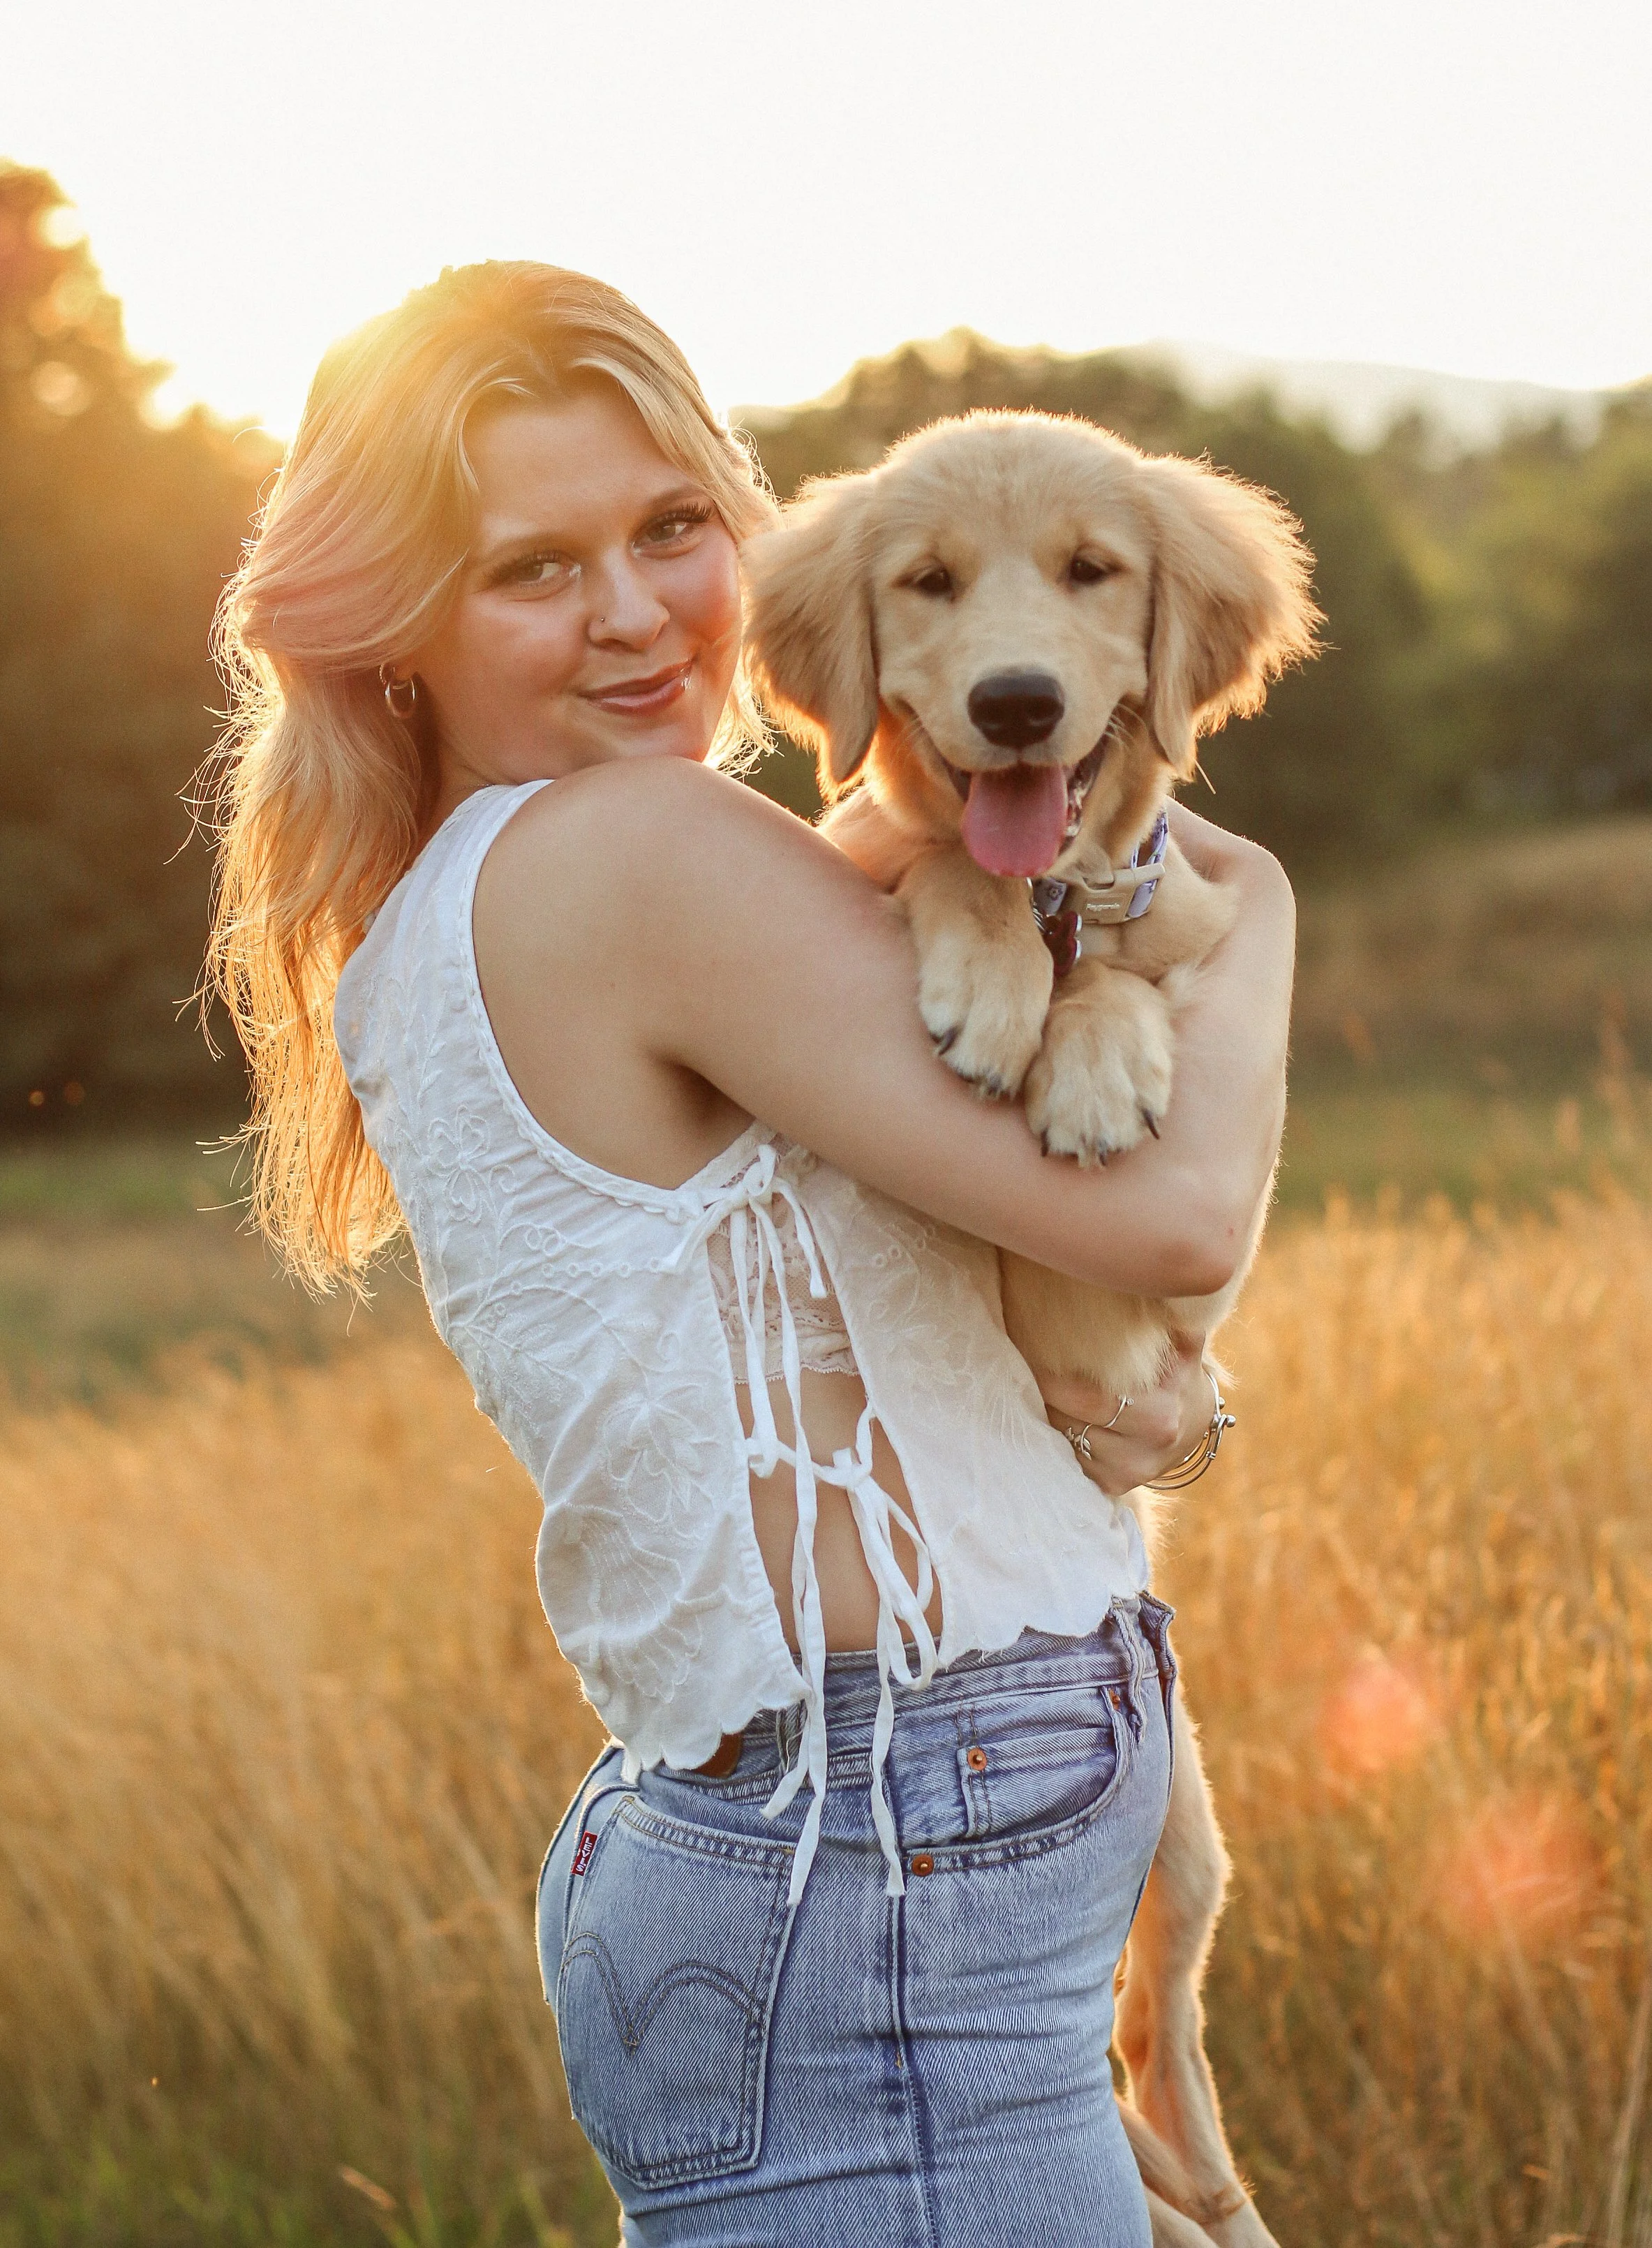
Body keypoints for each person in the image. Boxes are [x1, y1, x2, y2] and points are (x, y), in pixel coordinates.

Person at [207, 262, 1293, 2247]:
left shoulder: (489, 889)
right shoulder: (640, 855)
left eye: (670, 531)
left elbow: (967, 1306)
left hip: (834, 1880)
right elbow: (1174, 1213)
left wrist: (1162, 1407)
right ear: (398, 633)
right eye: (529, 568)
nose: (629, 614)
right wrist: (1269, 908)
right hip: (888, 1887)